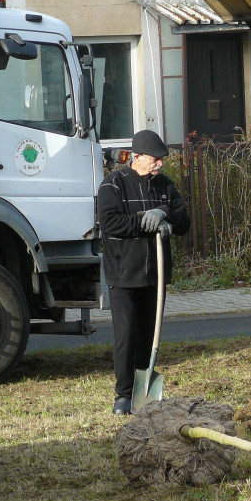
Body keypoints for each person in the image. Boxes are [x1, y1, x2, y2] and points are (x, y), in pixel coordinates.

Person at [98, 130, 190, 415]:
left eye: (162, 159)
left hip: (156, 274)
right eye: (155, 159)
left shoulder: (164, 186)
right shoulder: (113, 185)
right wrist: (144, 222)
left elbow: (184, 220)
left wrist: (165, 214)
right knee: (126, 334)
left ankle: (144, 394)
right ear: (136, 157)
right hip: (124, 273)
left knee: (149, 336)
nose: (159, 164)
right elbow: (110, 223)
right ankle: (123, 396)